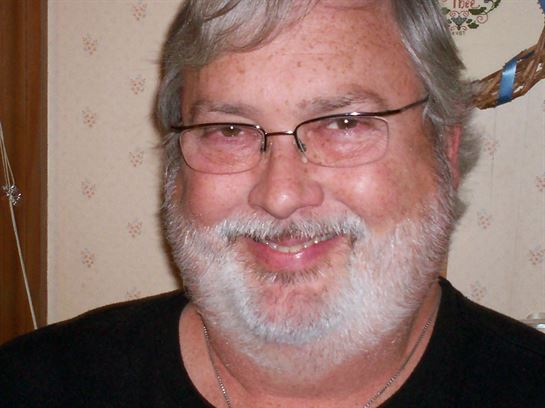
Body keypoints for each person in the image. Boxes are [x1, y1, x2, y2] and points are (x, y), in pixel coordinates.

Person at [2, 1, 545, 407]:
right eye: (229, 130)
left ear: (444, 151)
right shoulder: (32, 385)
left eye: (345, 123)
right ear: (175, 170)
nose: (281, 196)